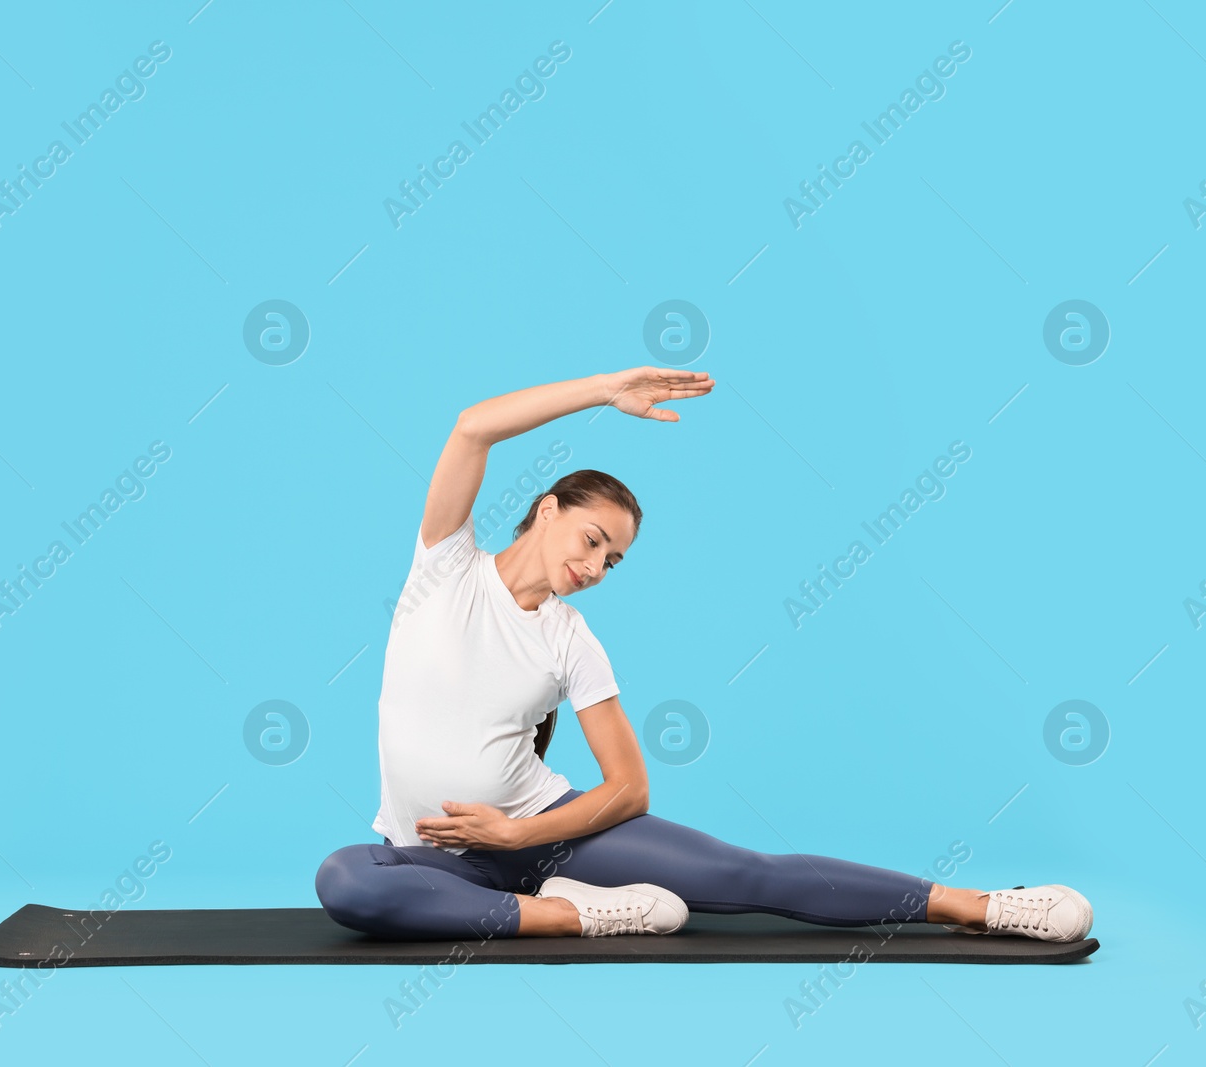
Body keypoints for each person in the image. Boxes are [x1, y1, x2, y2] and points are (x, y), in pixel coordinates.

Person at [314, 367, 1093, 942]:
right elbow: (471, 427)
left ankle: (985, 905)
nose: (593, 568)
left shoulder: (571, 640)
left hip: (546, 829)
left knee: (748, 875)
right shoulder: (445, 570)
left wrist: (521, 835)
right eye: (592, 539)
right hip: (435, 858)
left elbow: (629, 788)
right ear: (546, 508)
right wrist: (603, 392)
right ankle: (570, 914)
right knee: (345, 880)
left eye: (611, 561)